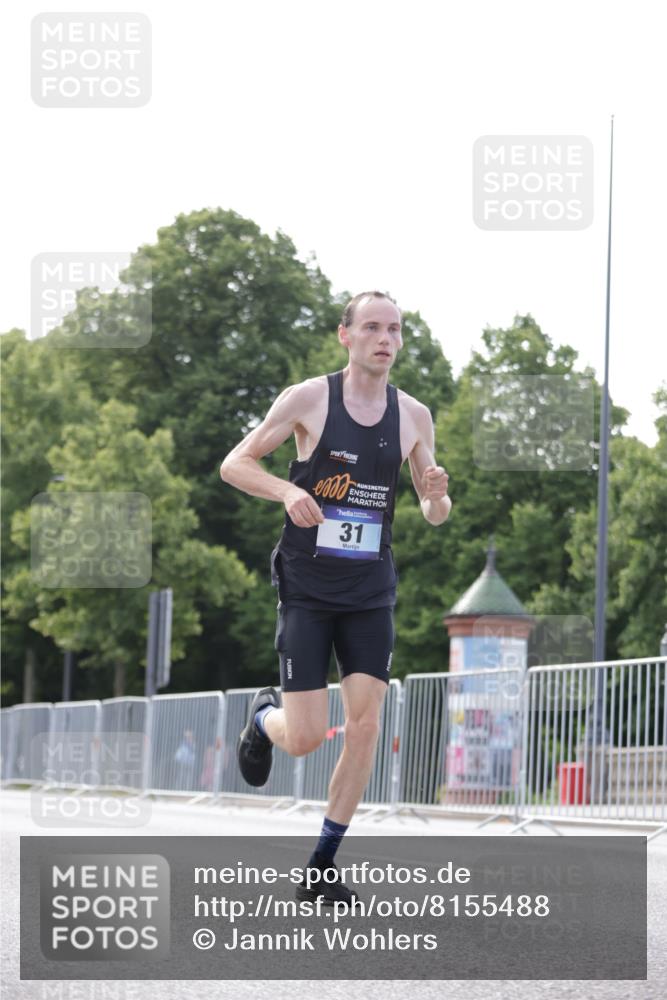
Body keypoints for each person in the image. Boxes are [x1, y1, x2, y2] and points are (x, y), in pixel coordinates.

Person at [219, 290, 451, 905]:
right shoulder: (308, 399)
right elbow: (234, 465)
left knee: (365, 725)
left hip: (370, 588)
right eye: (372, 327)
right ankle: (263, 719)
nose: (386, 338)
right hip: (308, 587)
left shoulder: (414, 416)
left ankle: (323, 861)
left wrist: (435, 491)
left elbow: (434, 512)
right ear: (345, 335)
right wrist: (284, 493)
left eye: (395, 329)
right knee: (304, 737)